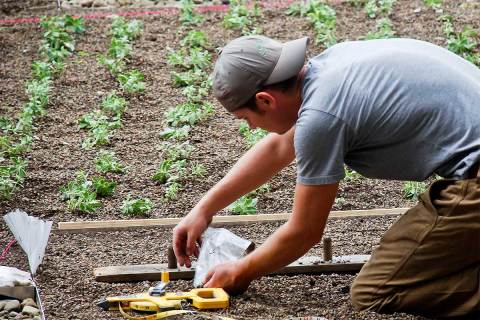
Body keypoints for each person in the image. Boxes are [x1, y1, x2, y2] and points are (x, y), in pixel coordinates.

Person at [172, 35, 480, 318]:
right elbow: (281, 146)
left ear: (265, 100)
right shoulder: (330, 65)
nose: (251, 128)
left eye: (246, 118)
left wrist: (240, 271)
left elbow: (305, 231)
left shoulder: (321, 118)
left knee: (376, 291)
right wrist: (204, 208)